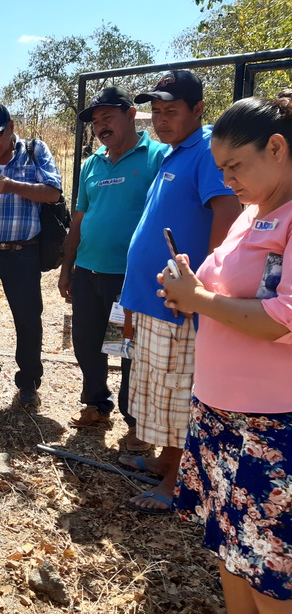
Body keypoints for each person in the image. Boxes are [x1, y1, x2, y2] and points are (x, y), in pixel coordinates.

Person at [161, 96, 292, 612]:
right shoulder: (251, 215)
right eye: (221, 169)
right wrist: (189, 284)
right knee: (231, 551)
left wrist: (200, 299)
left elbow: (283, 317)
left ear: (277, 147)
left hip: (269, 427)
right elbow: (221, 294)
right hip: (217, 413)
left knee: (270, 570)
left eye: (235, 166)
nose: (228, 179)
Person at [118, 70, 241, 514]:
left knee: (177, 396)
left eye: (171, 111)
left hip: (179, 305)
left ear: (198, 110)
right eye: (156, 111)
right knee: (159, 391)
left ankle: (174, 485)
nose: (161, 119)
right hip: (156, 301)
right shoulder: (175, 154)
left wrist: (203, 286)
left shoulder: (206, 151)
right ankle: (163, 462)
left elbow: (226, 213)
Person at [59, 87, 167, 450]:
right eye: (95, 122)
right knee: (88, 344)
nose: (100, 126)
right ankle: (96, 405)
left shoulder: (156, 157)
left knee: (126, 349)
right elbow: (78, 220)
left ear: (130, 114)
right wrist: (67, 266)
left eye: (107, 117)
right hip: (88, 272)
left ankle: (136, 422)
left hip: (130, 277)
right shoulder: (92, 164)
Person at [0, 101, 63, 405]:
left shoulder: (34, 151)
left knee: (28, 317)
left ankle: (28, 381)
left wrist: (12, 186)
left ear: (12, 127)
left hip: (22, 251)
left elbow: (54, 193)